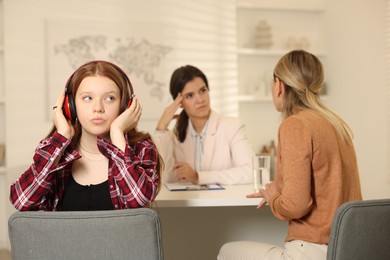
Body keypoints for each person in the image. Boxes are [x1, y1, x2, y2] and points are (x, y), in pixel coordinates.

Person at [218, 50, 362, 259]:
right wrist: (278, 188)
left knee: (226, 251)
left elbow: (296, 205)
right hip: (347, 249)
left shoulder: (295, 125)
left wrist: (273, 198)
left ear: (278, 86)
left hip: (312, 251)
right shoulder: (335, 124)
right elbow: (325, 181)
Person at [10, 60, 162, 211]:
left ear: (125, 107)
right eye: (87, 98)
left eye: (109, 98)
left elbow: (140, 199)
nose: (98, 108)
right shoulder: (54, 149)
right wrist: (62, 136)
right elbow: (22, 201)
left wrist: (117, 134)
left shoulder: (142, 148)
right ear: (70, 106)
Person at [153, 65, 255, 185]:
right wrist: (161, 128)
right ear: (179, 102)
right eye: (190, 96)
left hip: (223, 202)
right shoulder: (176, 134)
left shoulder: (232, 126)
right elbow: (169, 180)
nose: (200, 99)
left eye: (202, 90)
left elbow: (251, 173)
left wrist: (198, 177)